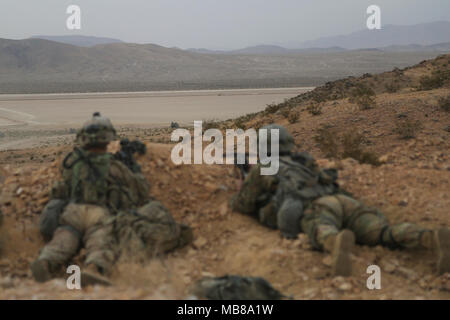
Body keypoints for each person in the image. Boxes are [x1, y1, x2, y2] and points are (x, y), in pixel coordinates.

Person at [230, 124, 450, 276]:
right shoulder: (305, 160)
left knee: (320, 228)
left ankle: (335, 243)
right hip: (342, 200)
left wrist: (240, 187)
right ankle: (429, 238)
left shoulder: (264, 167)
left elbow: (244, 204)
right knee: (382, 232)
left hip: (318, 208)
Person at [31, 112, 192, 285]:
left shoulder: (74, 163)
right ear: (107, 139)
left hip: (73, 211)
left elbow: (62, 186)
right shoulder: (114, 166)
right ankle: (93, 268)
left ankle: (46, 261)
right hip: (99, 215)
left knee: (64, 238)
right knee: (100, 243)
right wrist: (135, 171)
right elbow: (141, 191)